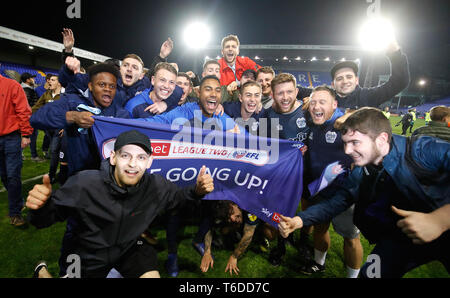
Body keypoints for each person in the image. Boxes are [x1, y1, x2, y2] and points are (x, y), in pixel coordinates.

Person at [278, 107, 450, 278]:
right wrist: (300, 220)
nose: (347, 151)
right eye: (345, 143)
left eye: (355, 142)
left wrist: (439, 220)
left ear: (382, 139)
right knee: (369, 276)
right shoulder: (361, 171)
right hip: (401, 238)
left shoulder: (423, 150)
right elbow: (338, 201)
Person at [27, 129, 214, 278]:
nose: (133, 164)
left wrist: (197, 191)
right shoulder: (84, 183)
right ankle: (42, 272)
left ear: (149, 162)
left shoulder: (156, 186)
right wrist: (40, 207)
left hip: (129, 248)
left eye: (141, 157)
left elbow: (179, 199)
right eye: (126, 156)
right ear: (113, 157)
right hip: (85, 255)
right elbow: (43, 220)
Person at [301, 85, 363, 277]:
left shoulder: (345, 124)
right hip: (320, 190)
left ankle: (353, 276)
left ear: (335, 104)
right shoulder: (312, 123)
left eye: (322, 102)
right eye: (313, 102)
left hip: (343, 193)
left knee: (350, 238)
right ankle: (319, 263)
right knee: (320, 228)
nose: (316, 106)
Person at [264, 73, 310, 266]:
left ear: (297, 92)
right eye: (280, 93)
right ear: (273, 95)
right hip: (283, 172)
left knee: (308, 208)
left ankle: (304, 243)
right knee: (282, 208)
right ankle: (281, 246)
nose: (285, 97)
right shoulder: (269, 114)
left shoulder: (308, 110)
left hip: (308, 170)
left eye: (289, 92)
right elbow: (268, 144)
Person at [199, 200, 276, 275]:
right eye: (228, 216)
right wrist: (207, 252)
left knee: (270, 235)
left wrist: (234, 256)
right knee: (224, 231)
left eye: (231, 212)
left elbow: (248, 235)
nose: (232, 218)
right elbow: (209, 228)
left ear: (234, 204)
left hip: (259, 216)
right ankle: (237, 235)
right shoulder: (221, 208)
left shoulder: (250, 206)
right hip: (243, 220)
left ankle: (259, 235)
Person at [0, 73, 33, 226]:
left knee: (13, 174)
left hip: (11, 137)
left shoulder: (11, 85)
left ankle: (15, 212)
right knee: (4, 175)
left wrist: (26, 134)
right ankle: (18, 201)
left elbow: (23, 110)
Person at [31, 75, 64, 183]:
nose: (49, 82)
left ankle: (52, 175)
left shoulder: (65, 96)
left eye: (53, 80)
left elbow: (69, 111)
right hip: (48, 129)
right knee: (55, 150)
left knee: (54, 151)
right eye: (49, 80)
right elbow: (36, 107)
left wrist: (65, 126)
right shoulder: (46, 94)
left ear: (59, 83)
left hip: (59, 128)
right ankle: (60, 173)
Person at [20, 72, 41, 161]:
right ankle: (34, 156)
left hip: (28, 116)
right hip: (29, 117)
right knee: (31, 136)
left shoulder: (27, 89)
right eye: (32, 78)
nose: (34, 80)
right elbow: (27, 105)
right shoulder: (27, 90)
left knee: (30, 136)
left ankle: (21, 154)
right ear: (28, 80)